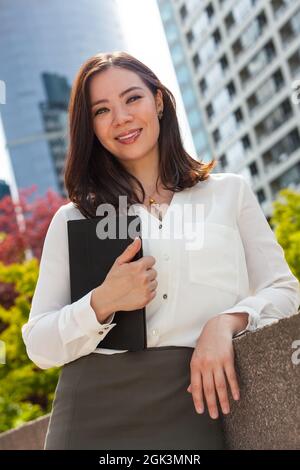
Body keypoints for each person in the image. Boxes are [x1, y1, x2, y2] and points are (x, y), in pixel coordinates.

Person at [22, 51, 300, 450]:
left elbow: (284, 290)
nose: (121, 117)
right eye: (102, 110)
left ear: (158, 101)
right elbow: (39, 346)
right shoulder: (75, 218)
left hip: (192, 404)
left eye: (132, 98)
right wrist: (102, 302)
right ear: (92, 128)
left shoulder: (228, 193)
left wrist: (226, 322)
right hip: (90, 414)